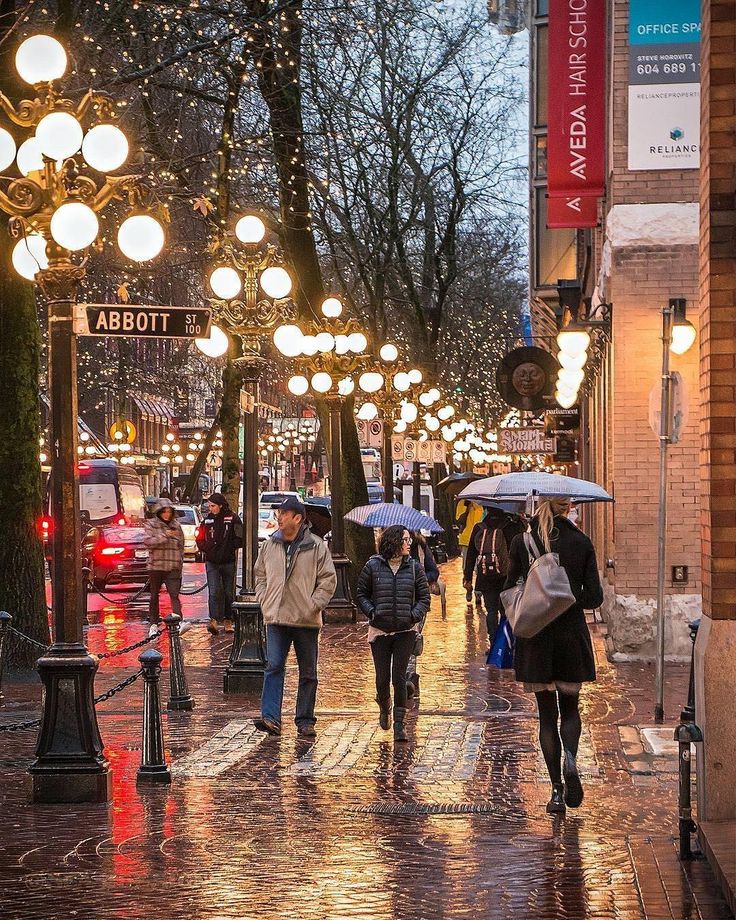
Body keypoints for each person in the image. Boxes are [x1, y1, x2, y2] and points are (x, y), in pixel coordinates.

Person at [504, 496, 603, 815]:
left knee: (546, 717)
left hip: (537, 639)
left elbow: (509, 589)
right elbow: (595, 598)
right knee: (570, 710)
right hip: (571, 637)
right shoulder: (581, 541)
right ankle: (572, 759)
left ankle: (557, 792)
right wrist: (568, 597)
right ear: (568, 507)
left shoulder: (523, 542)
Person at [253, 496, 336, 739]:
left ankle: (305, 719)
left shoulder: (316, 546)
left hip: (306, 619)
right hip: (276, 617)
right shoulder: (270, 545)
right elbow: (260, 575)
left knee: (308, 671)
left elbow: (328, 580)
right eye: (279, 513)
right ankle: (270, 717)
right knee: (274, 665)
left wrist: (314, 605)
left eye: (284, 513)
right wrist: (264, 598)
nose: (279, 517)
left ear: (298, 519)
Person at [356, 525, 430, 742]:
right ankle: (384, 705)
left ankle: (400, 723)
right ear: (394, 541)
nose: (409, 543)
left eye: (409, 540)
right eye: (405, 540)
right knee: (382, 678)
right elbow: (361, 593)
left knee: (399, 677)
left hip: (405, 631)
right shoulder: (373, 566)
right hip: (380, 631)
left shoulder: (414, 568)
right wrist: (372, 612)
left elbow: (424, 598)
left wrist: (413, 615)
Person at [464, 507, 524, 643]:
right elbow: (520, 552)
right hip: (507, 577)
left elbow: (471, 555)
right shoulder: (511, 527)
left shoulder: (479, 528)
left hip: (485, 576)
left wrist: (467, 577)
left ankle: (493, 643)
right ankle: (505, 645)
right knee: (506, 611)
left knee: (491, 611)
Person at [196, 491, 243, 635]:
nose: (210, 508)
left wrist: (229, 547)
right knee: (213, 591)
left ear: (220, 506)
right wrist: (207, 549)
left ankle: (228, 620)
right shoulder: (207, 521)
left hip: (228, 561)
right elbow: (199, 538)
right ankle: (214, 620)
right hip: (212, 561)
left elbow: (240, 537)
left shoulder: (232, 518)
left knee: (229, 593)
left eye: (213, 506)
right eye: (209, 506)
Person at [405, 531, 441, 698]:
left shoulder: (419, 547)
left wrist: (419, 576)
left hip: (418, 601)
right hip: (396, 604)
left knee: (412, 638)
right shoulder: (385, 552)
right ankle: (405, 679)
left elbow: (433, 571)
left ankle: (410, 679)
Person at [143, 498, 185, 638]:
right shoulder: (152, 524)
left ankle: (179, 620)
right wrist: (164, 535)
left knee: (174, 595)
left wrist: (179, 563)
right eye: (164, 512)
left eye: (169, 512)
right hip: (156, 566)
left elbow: (181, 546)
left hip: (172, 566)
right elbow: (148, 541)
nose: (167, 514)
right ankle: (154, 622)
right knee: (154, 595)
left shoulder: (176, 526)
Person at [455, 499, 483, 606]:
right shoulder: (462, 503)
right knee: (466, 568)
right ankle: (468, 586)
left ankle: (478, 592)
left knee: (480, 567)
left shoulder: (482, 502)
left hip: (480, 539)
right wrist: (466, 507)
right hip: (466, 539)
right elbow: (458, 520)